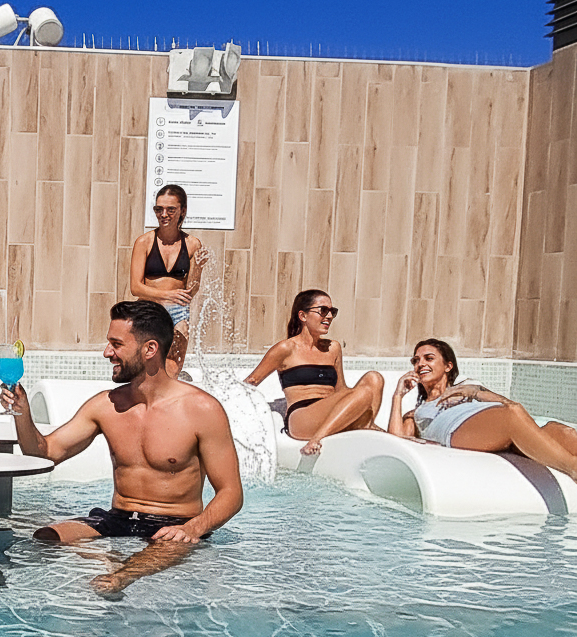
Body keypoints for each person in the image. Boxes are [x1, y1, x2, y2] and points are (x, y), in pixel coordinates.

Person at [1, 300, 243, 595]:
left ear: (150, 349)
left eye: (116, 344)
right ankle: (110, 564)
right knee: (45, 537)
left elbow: (231, 493)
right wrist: (21, 413)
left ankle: (119, 574)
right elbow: (44, 452)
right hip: (118, 519)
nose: (107, 353)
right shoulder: (106, 405)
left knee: (126, 572)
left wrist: (193, 528)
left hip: (174, 524)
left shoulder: (202, 410)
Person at [388, 338, 577, 480]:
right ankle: (573, 469)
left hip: (499, 427)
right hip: (456, 430)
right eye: (415, 361)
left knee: (566, 432)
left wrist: (475, 392)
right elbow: (396, 440)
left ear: (448, 366)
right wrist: (398, 395)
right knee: (511, 415)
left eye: (429, 358)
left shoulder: (469, 387)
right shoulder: (418, 411)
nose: (420, 364)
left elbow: (509, 405)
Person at [243, 288, 384, 456]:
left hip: (331, 412)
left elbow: (341, 390)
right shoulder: (285, 349)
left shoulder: (333, 348)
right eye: (323, 311)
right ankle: (319, 439)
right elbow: (251, 382)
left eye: (332, 311)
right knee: (365, 393)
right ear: (303, 316)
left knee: (374, 378)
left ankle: (363, 426)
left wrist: (358, 400)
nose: (329, 316)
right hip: (302, 417)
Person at [130, 184, 208, 378]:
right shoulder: (144, 242)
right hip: (149, 308)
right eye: (158, 209)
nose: (163, 214)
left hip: (177, 310)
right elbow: (135, 287)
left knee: (173, 367)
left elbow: (190, 292)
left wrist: (198, 269)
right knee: (144, 366)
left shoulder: (192, 244)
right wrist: (166, 295)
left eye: (170, 209)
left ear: (183, 211)